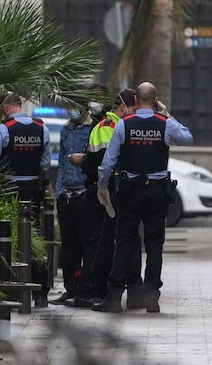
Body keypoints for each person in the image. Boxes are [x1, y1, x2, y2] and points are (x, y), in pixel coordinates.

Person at [93, 82, 193, 313]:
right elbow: (187, 138)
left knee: (125, 242)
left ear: (136, 100)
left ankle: (114, 297)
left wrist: (101, 186)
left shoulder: (124, 124)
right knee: (154, 244)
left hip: (130, 191)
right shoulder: (165, 123)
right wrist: (166, 114)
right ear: (156, 100)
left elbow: (108, 161)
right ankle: (150, 297)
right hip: (157, 192)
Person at [62, 87, 139, 309]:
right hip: (102, 193)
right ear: (123, 106)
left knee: (104, 243)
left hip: (107, 192)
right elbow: (106, 163)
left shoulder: (114, 125)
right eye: (133, 108)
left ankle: (98, 289)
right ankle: (87, 291)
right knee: (99, 243)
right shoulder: (108, 127)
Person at [0, 91, 51, 304]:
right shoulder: (42, 128)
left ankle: (9, 284)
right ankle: (41, 292)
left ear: (5, 107)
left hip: (8, 191)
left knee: (8, 237)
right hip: (32, 190)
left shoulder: (3, 129)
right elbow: (45, 162)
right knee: (34, 238)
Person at [49, 104, 95, 305]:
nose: (71, 111)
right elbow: (61, 163)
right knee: (69, 248)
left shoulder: (91, 129)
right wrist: (58, 192)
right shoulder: (65, 129)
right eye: (68, 107)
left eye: (75, 107)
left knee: (86, 244)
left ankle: (86, 290)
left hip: (83, 193)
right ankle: (71, 288)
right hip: (66, 194)